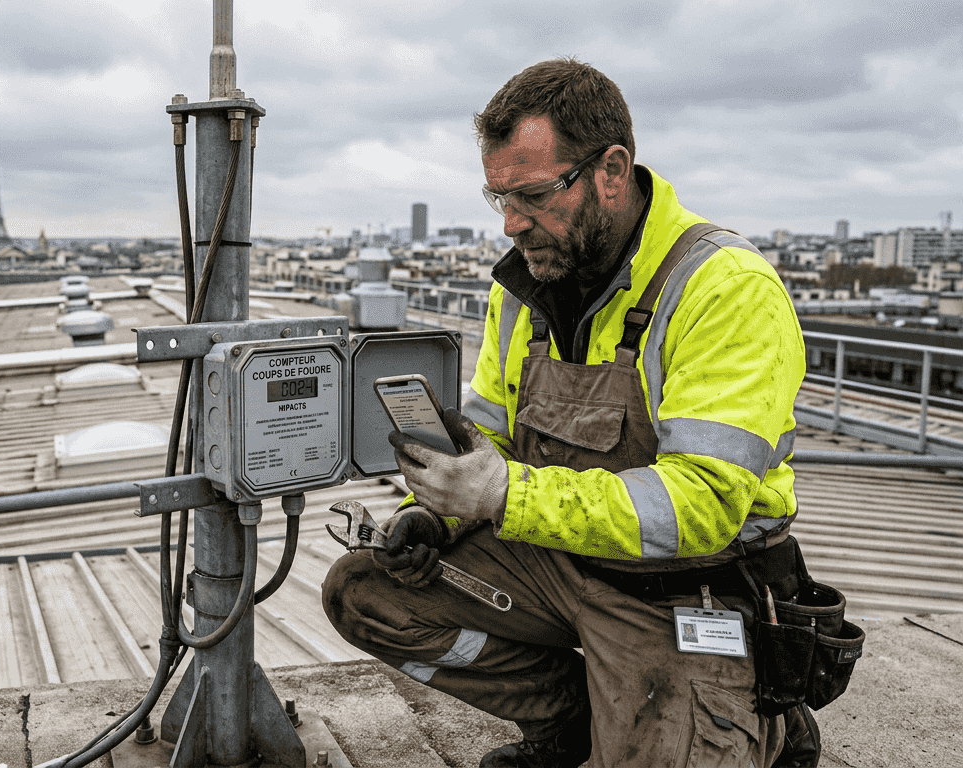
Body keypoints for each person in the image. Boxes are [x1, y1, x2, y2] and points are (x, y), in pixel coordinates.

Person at [322, 58, 817, 768]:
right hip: (560, 566)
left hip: (685, 591)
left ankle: (761, 722)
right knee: (366, 591)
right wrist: (436, 514)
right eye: (499, 199)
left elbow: (701, 506)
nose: (513, 225)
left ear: (611, 171)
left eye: (532, 195)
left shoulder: (724, 289)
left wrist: (502, 493)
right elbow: (489, 430)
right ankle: (571, 719)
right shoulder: (528, 285)